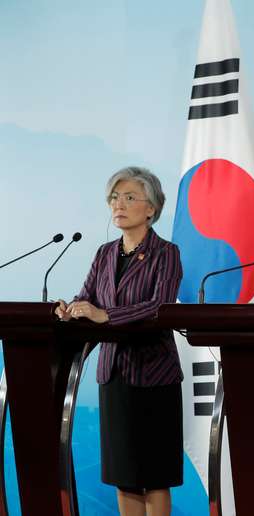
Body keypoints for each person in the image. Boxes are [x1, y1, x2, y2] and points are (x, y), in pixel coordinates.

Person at [55, 166, 183, 516]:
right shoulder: (104, 253)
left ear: (151, 208)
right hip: (114, 376)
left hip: (154, 376)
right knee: (124, 476)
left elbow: (159, 307)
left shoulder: (165, 253)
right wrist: (70, 309)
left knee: (154, 476)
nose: (119, 205)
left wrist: (106, 315)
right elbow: (87, 297)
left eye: (129, 197)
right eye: (115, 198)